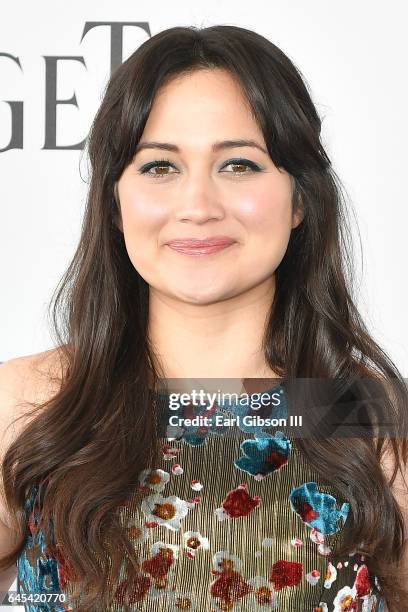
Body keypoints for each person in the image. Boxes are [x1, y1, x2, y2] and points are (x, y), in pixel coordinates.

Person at [0, 24, 407, 612]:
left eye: (239, 165)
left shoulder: (366, 422)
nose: (197, 207)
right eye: (160, 167)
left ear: (300, 199)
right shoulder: (32, 404)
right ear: (113, 202)